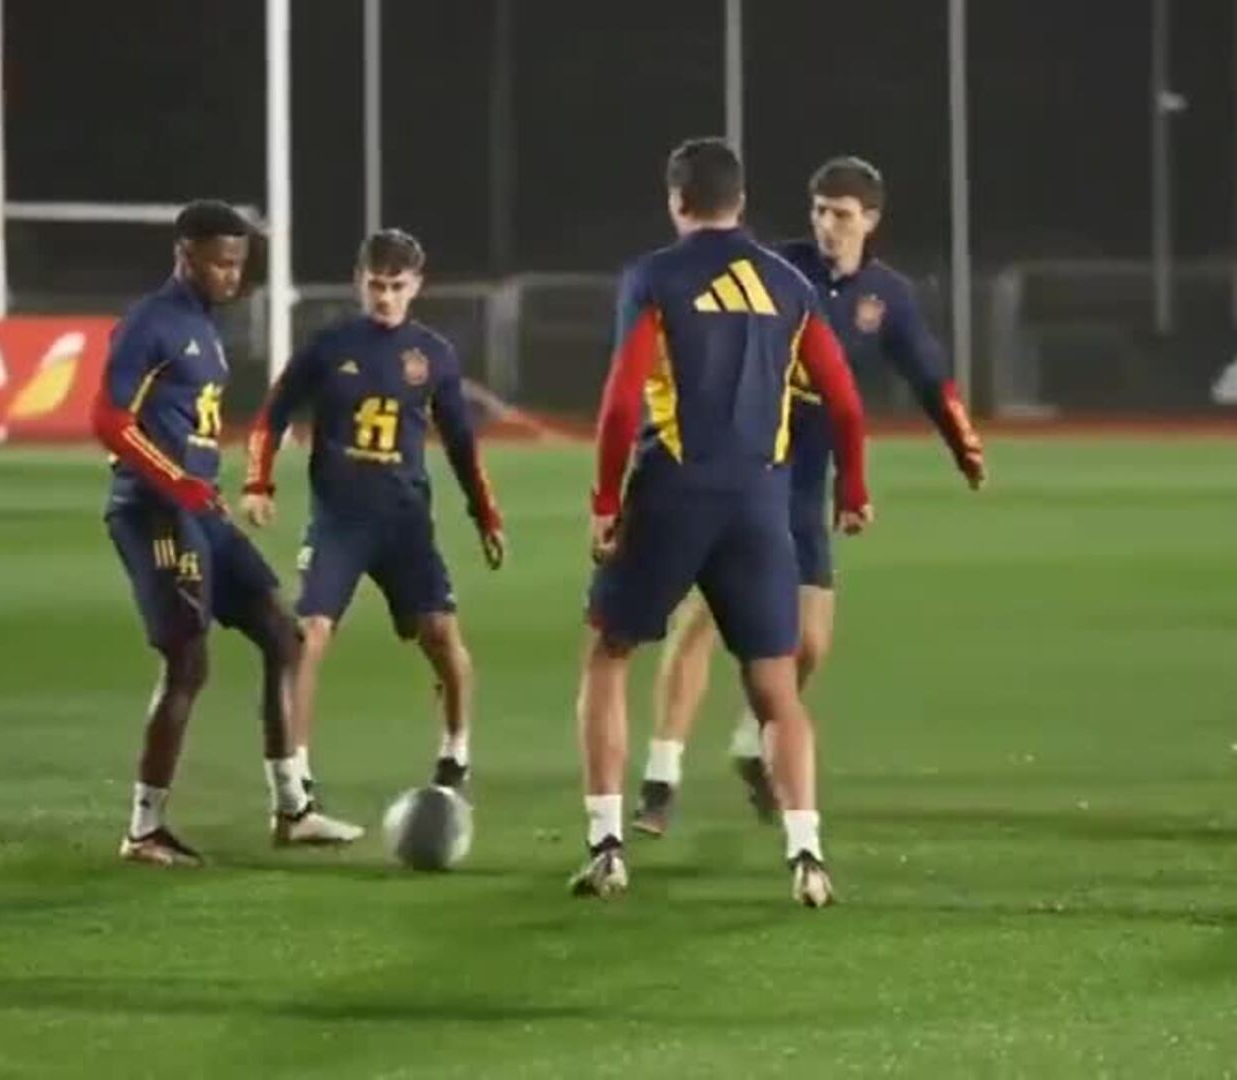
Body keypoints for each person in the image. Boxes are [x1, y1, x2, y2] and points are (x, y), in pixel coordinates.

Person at [636, 156, 986, 836]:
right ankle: (661, 778)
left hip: (805, 485)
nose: (829, 225)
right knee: (705, 619)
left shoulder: (886, 296)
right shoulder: (778, 269)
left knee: (812, 642)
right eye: (821, 211)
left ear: (871, 222)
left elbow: (928, 374)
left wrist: (961, 441)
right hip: (748, 469)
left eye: (843, 214)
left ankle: (750, 745)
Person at [571, 138, 873, 906]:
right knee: (776, 688)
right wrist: (855, 489)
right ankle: (807, 855)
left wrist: (606, 500)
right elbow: (842, 399)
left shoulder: (656, 277)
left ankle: (608, 842)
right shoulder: (789, 282)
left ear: (678, 199)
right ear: (741, 201)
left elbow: (620, 399)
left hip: (673, 492)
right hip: (760, 504)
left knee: (610, 655)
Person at [94, 199, 358, 867]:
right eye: (219, 261)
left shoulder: (207, 328)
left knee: (282, 633)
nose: (231, 275)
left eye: (238, 263)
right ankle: (144, 829)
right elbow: (108, 418)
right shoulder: (150, 324)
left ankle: (292, 808)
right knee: (189, 661)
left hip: (198, 508)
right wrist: (174, 480)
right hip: (153, 509)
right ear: (184, 256)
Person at [242, 229, 507, 815]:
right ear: (358, 282)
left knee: (443, 637)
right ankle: (298, 774)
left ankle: (455, 754)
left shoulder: (432, 354)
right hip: (339, 522)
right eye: (375, 284)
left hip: (405, 524)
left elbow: (462, 441)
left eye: (396, 285)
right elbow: (272, 415)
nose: (385, 296)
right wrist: (258, 482)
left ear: (417, 286)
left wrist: (484, 512)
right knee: (306, 638)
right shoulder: (329, 345)